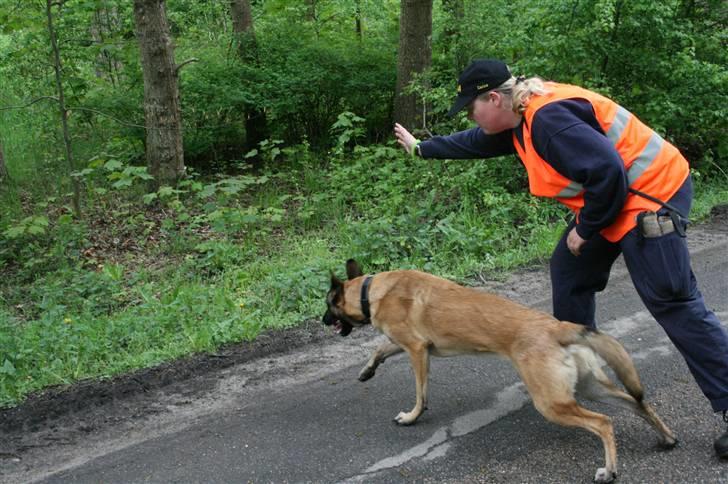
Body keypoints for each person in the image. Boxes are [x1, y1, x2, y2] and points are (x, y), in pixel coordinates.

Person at [394, 58, 728, 457]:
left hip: (652, 196)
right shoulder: (518, 119)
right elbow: (476, 142)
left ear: (495, 98)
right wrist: (422, 148)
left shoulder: (549, 120)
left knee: (673, 301)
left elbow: (608, 173)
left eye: (471, 107)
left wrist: (585, 229)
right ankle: (575, 373)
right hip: (617, 200)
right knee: (569, 270)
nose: (471, 115)